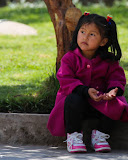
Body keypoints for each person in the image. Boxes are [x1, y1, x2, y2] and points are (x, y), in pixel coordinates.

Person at [47, 12, 128, 153]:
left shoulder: (109, 61)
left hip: (99, 101)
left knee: (118, 103)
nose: (85, 37)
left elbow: (117, 78)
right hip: (76, 103)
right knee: (73, 99)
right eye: (82, 31)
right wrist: (85, 91)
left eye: (92, 34)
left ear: (103, 41)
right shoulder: (69, 58)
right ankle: (74, 136)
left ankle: (100, 136)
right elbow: (66, 79)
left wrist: (113, 90)